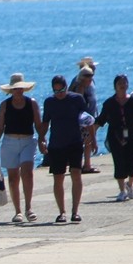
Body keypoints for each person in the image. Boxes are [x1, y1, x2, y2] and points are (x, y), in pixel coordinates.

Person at [0, 73, 43, 223]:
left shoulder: (31, 103)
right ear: (10, 91)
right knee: (13, 178)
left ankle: (28, 208)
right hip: (9, 141)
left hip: (27, 140)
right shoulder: (5, 105)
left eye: (20, 89)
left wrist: (42, 140)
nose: (18, 91)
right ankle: (18, 211)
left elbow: (38, 125)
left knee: (27, 172)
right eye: (15, 89)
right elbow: (0, 127)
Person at [95, 74, 133, 202]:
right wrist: (92, 136)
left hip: (131, 136)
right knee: (119, 163)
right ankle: (122, 190)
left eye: (124, 83)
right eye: (120, 84)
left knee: (131, 165)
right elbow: (100, 120)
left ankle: (130, 184)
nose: (123, 86)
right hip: (115, 137)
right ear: (115, 87)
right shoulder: (109, 103)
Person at [38, 74, 89, 223]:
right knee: (58, 177)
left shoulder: (77, 99)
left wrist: (90, 136)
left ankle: (75, 211)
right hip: (57, 144)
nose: (59, 94)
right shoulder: (49, 102)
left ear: (67, 88)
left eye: (62, 91)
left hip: (74, 141)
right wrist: (41, 139)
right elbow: (46, 123)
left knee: (76, 173)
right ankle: (62, 212)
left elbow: (87, 119)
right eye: (56, 91)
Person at [70, 63, 100, 173]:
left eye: (91, 75)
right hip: (82, 120)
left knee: (87, 142)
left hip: (88, 118)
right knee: (87, 141)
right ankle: (84, 165)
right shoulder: (80, 87)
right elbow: (79, 104)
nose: (90, 78)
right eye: (88, 76)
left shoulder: (88, 85)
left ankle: (86, 164)